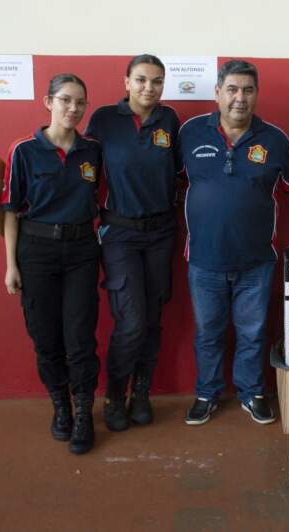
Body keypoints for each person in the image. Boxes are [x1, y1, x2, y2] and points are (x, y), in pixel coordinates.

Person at [177, 60, 289, 426]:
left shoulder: (274, 139)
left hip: (256, 261)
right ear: (218, 93)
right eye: (232, 89)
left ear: (256, 95)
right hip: (204, 261)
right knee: (208, 333)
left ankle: (251, 392)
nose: (240, 98)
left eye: (248, 90)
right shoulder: (190, 133)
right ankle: (206, 393)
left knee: (252, 332)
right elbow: (168, 180)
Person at [1, 73, 102, 455]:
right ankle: (61, 407)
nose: (73, 109)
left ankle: (84, 413)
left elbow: (102, 201)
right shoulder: (24, 150)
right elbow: (11, 212)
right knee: (46, 338)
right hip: (36, 252)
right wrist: (11, 265)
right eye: (65, 100)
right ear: (48, 102)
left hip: (81, 251)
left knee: (80, 339)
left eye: (80, 102)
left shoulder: (92, 150)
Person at [84, 55, 181, 432]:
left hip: (160, 233)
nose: (148, 88)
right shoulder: (105, 120)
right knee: (132, 322)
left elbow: (178, 173)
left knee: (153, 319)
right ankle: (114, 394)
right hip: (119, 234)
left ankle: (142, 394)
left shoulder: (169, 120)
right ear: (126, 82)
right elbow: (85, 171)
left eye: (156, 81)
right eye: (140, 80)